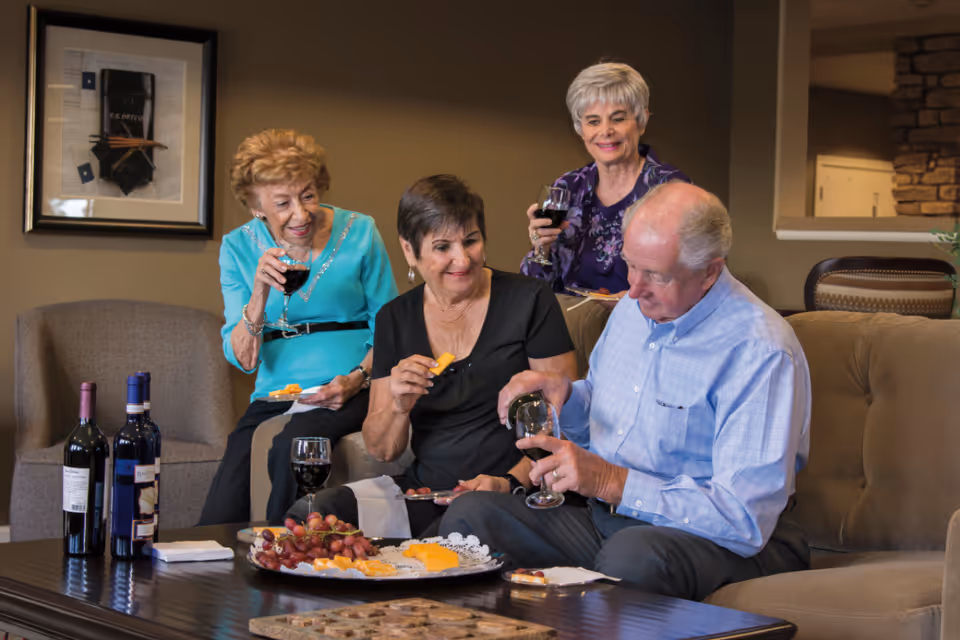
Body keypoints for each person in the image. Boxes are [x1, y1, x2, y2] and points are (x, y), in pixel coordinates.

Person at [441, 182, 811, 601]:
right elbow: (606, 408)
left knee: (632, 557)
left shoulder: (760, 349)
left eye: (655, 274)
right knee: (471, 518)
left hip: (720, 541)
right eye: (630, 265)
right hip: (610, 521)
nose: (632, 288)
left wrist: (613, 482)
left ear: (709, 271)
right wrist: (566, 396)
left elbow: (744, 519)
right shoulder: (636, 308)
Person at [285, 175, 577, 535]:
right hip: (427, 493)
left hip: (512, 493)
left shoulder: (529, 299)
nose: (462, 258)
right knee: (311, 517)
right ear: (410, 250)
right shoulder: (395, 318)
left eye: (471, 241)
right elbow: (382, 450)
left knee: (451, 535)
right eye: (442, 247)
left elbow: (567, 421)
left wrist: (509, 482)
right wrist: (398, 405)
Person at [199, 129, 398, 525]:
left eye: (308, 195)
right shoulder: (238, 248)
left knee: (294, 442)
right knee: (225, 501)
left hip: (351, 385)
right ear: (257, 207)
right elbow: (243, 358)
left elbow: (392, 326)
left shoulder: (360, 231)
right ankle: (217, 577)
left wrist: (357, 378)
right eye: (283, 203)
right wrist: (258, 290)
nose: (301, 214)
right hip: (277, 392)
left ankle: (281, 555)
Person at [521, 61, 690, 302]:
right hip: (570, 326)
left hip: (642, 327)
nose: (606, 131)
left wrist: (637, 301)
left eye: (618, 119)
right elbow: (535, 287)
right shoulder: (567, 187)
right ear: (581, 130)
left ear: (641, 121)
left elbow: (691, 277)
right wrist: (541, 247)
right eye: (593, 121)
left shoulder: (672, 190)